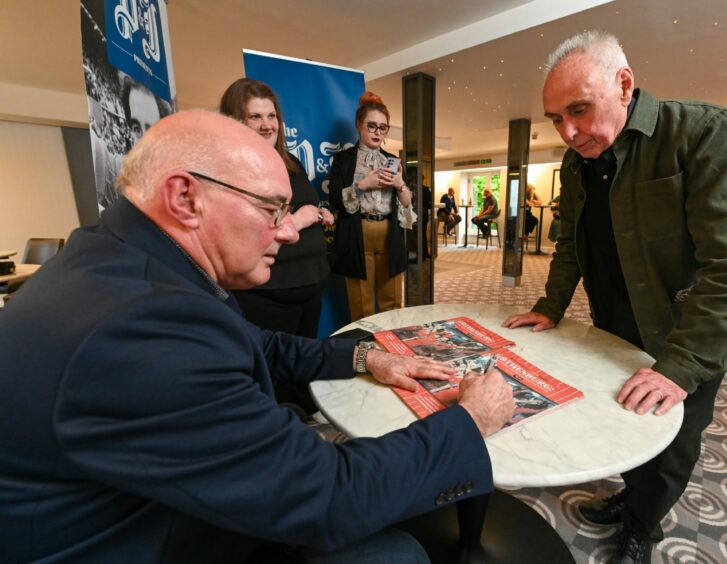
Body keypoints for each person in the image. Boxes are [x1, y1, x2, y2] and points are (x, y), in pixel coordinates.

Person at [0, 110, 517, 563]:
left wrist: (367, 357)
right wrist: (468, 422)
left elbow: (259, 345)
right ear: (186, 197)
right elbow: (327, 496)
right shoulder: (138, 331)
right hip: (143, 538)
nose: (290, 231)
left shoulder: (125, 258)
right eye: (271, 210)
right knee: (396, 553)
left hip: (147, 504)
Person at [502, 31, 727, 563]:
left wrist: (682, 365)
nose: (568, 132)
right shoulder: (578, 164)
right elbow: (571, 242)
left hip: (691, 329)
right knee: (627, 422)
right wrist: (550, 306)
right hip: (617, 319)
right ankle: (632, 495)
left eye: (578, 109)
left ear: (624, 85)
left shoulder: (702, 132)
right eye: (556, 118)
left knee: (673, 438)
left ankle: (644, 523)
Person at [219, 78, 333, 411]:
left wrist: (316, 213)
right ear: (236, 121)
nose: (267, 125)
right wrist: (298, 220)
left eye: (271, 116)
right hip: (268, 295)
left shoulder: (291, 163)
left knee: (303, 362)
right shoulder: (231, 171)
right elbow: (248, 233)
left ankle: (304, 414)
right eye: (256, 117)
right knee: (272, 372)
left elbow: (301, 205)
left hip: (310, 285)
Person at [329, 92, 416, 322]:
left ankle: (392, 347)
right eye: (372, 126)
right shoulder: (344, 160)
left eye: (383, 128)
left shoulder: (393, 161)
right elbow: (335, 200)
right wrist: (363, 185)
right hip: (357, 233)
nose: (378, 132)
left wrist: (399, 184)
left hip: (391, 234)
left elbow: (407, 204)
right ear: (359, 125)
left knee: (393, 301)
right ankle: (366, 352)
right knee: (361, 302)